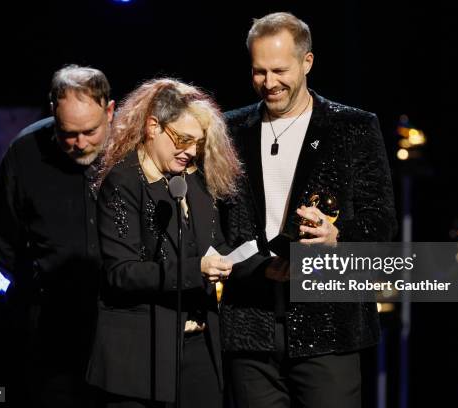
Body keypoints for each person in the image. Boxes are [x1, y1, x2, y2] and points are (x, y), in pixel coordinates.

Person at [219, 12, 397, 408]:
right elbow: (216, 223)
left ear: (307, 62)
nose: (269, 83)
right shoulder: (229, 131)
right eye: (259, 71)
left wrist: (338, 237)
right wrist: (255, 266)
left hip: (329, 325)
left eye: (279, 70)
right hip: (251, 324)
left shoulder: (352, 127)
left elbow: (380, 221)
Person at [86, 78, 241, 408]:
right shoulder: (123, 181)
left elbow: (216, 244)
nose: (190, 152)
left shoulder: (194, 179)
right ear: (153, 127)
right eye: (182, 140)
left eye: (197, 144)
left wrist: (243, 259)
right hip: (141, 356)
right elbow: (121, 273)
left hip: (198, 347)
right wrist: (195, 270)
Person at [0, 64, 115, 407]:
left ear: (110, 110)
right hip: (51, 322)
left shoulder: (133, 150)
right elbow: (2, 229)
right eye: (68, 133)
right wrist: (35, 282)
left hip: (121, 321)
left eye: (90, 131)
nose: (79, 143)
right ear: (53, 111)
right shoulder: (25, 151)